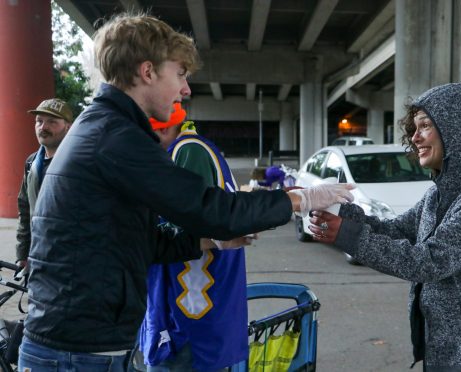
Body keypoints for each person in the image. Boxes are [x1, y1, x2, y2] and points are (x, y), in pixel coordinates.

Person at [19, 12, 353, 372]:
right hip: (76, 353)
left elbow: (141, 240)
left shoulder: (103, 127)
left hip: (79, 343)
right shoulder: (116, 137)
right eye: (179, 74)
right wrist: (300, 199)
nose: (186, 89)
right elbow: (210, 209)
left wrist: (208, 241)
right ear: (147, 72)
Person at [309, 83, 461, 371]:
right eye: (414, 128)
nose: (415, 137)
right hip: (451, 349)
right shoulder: (438, 194)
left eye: (425, 126)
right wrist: (339, 212)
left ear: (458, 130)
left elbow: (429, 262)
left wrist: (347, 234)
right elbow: (394, 231)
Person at [139, 104, 251, 371]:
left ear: (163, 128)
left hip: (189, 303)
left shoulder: (188, 150)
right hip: (192, 298)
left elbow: (186, 223)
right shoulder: (189, 148)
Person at [15, 98, 73, 269]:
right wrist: (22, 254)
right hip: (39, 254)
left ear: (68, 127)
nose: (43, 127)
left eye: (52, 122)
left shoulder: (77, 163)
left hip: (69, 258)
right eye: (39, 121)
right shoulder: (31, 164)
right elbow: (25, 210)